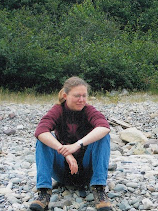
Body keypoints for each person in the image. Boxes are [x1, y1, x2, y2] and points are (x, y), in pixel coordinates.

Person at [29, 76, 112, 211]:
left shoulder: (89, 110)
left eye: (84, 96)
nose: (81, 100)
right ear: (65, 95)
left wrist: (77, 145)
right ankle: (44, 192)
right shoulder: (58, 110)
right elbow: (40, 130)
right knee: (44, 138)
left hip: (87, 172)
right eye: (77, 96)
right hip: (62, 171)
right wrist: (65, 152)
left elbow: (104, 127)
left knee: (103, 136)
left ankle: (98, 189)